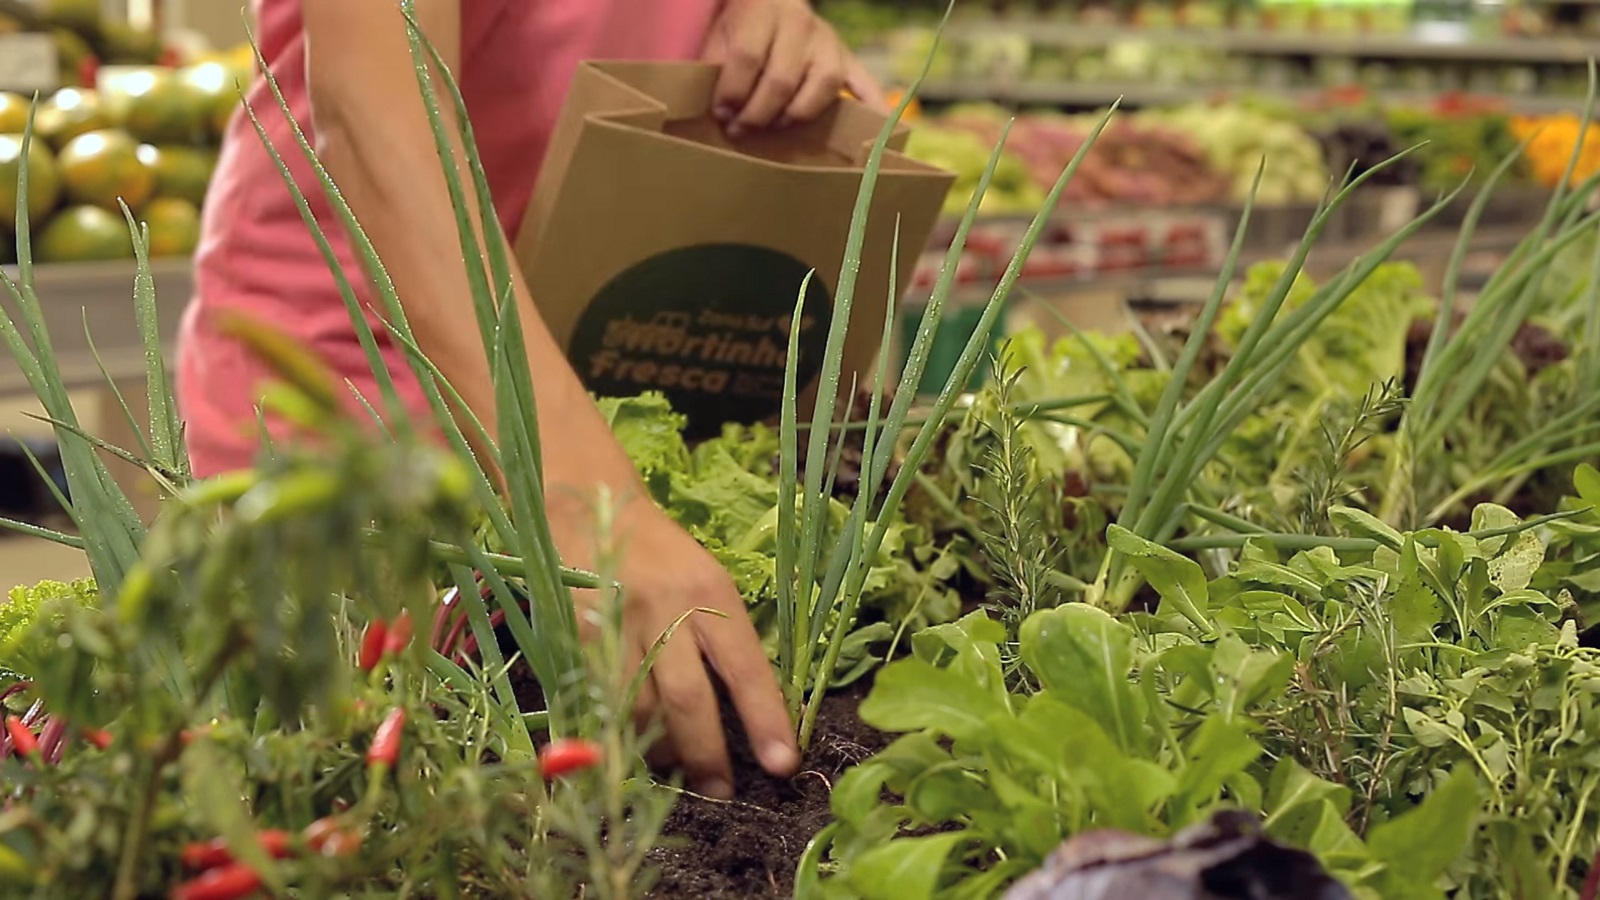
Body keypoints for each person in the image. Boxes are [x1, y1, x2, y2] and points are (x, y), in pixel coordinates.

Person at [174, 0, 884, 801]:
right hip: (364, 378)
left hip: (588, 372)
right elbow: (377, 111)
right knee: (360, 800)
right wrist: (586, 497)